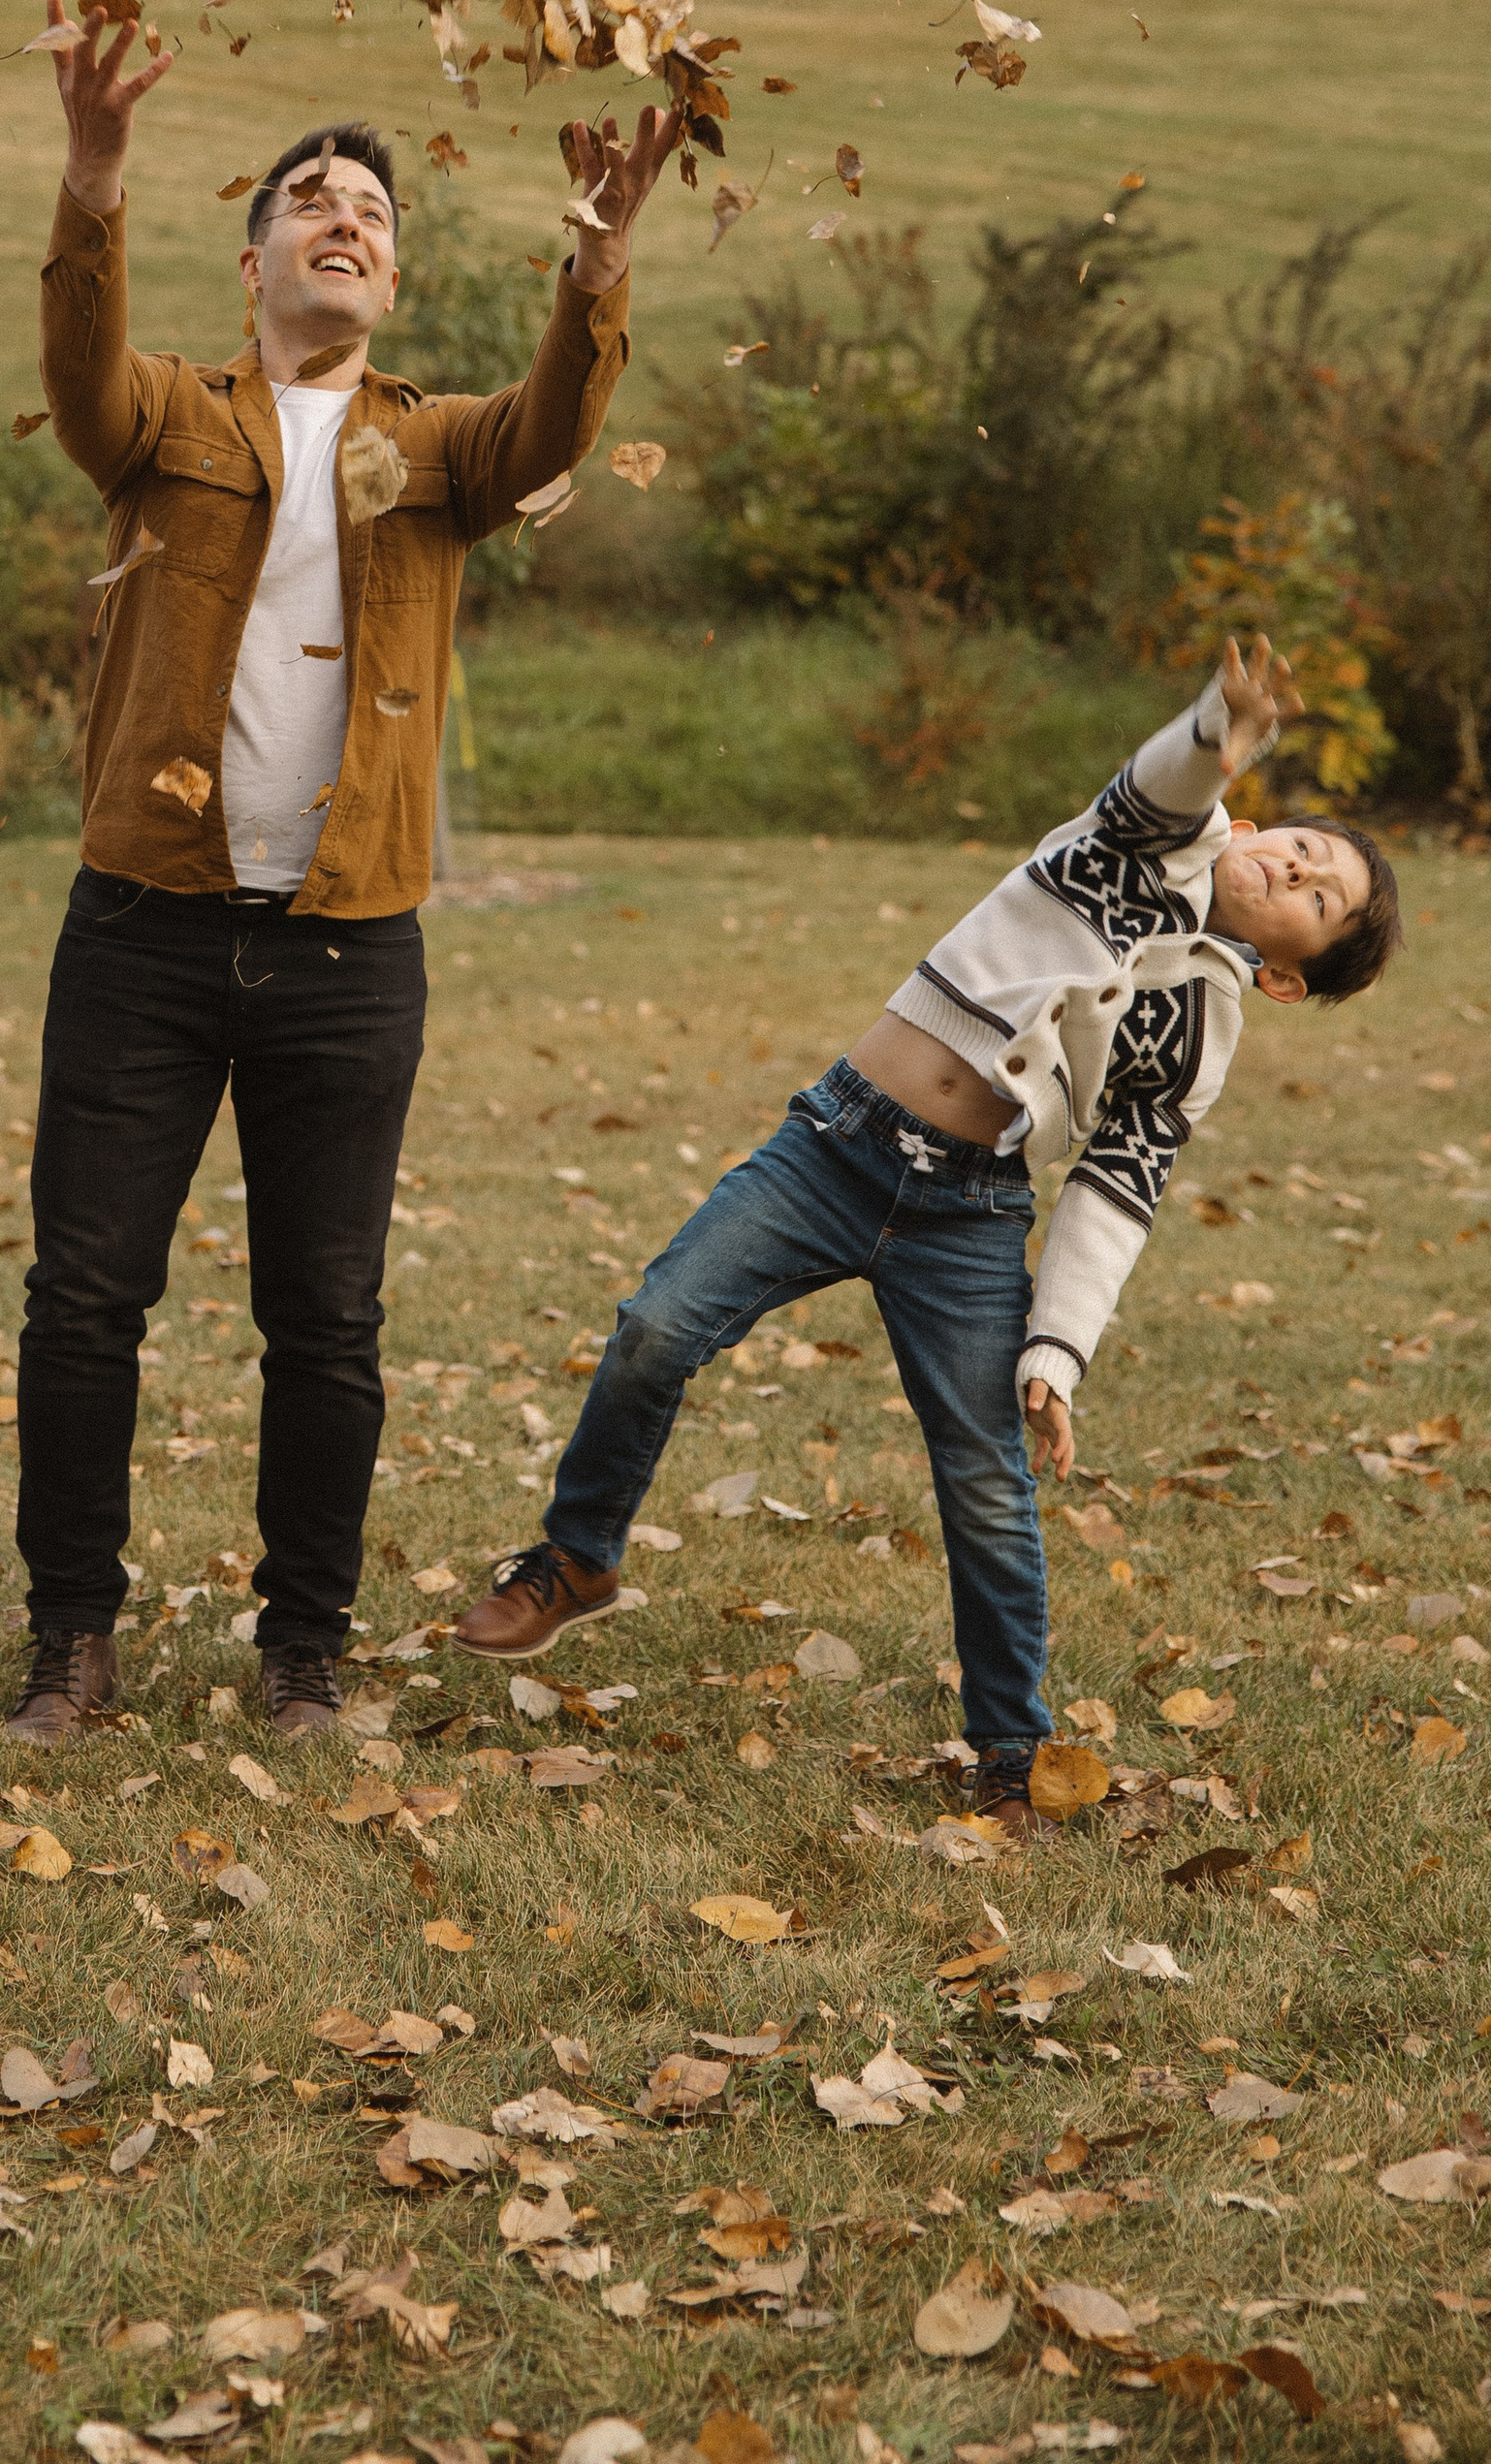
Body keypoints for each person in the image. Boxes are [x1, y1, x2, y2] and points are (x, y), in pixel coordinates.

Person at [6, 0, 673, 1750]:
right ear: (255, 261)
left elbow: (548, 432)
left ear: (388, 275)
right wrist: (90, 179)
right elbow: (76, 379)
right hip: (141, 927)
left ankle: (303, 1646)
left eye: (369, 209)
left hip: (345, 949)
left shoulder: (434, 443)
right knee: (86, 1299)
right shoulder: (164, 418)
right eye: (310, 195)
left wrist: (594, 277)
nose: (343, 214)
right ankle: (69, 1637)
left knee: (329, 1319)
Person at [452, 639, 1404, 1832]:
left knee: (987, 1480)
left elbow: (1116, 1189)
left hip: (970, 1210)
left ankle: (1012, 1749)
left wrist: (1056, 1351)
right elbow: (1167, 779)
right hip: (833, 1149)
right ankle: (578, 1558)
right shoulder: (1138, 844)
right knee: (655, 1329)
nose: (1296, 873)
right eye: (1303, 850)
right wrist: (1218, 724)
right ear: (1256, 822)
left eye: (1322, 903)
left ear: (1287, 977)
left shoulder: (1203, 1033)